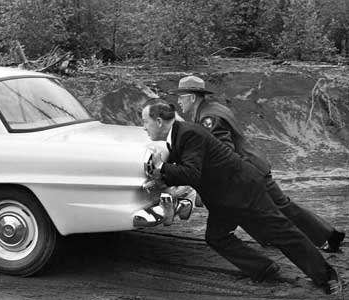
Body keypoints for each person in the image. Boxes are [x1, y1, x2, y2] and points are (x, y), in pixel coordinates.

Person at [141, 99, 342, 296]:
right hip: (223, 198)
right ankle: (264, 269)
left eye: (145, 122)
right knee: (216, 237)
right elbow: (185, 170)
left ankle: (327, 276)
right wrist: (160, 180)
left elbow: (191, 173)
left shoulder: (188, 134)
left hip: (243, 190)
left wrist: (160, 168)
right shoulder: (178, 136)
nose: (143, 127)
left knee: (282, 233)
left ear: (159, 121)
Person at [172, 75, 345, 253]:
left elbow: (223, 150)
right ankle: (277, 238)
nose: (178, 101)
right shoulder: (213, 109)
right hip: (250, 167)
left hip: (250, 170)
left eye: (181, 96)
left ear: (192, 97)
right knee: (261, 208)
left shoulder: (209, 118)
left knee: (282, 206)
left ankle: (328, 237)